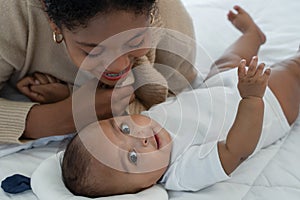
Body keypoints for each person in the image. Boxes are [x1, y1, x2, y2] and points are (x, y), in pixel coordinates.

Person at [61, 6, 300, 197]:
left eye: (124, 128)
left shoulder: (146, 124)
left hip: (214, 88)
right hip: (266, 106)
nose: (140, 139)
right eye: (133, 158)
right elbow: (236, 150)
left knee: (229, 60)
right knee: (293, 71)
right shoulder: (183, 172)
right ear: (142, 188)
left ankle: (253, 36)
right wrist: (251, 98)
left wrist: (59, 96)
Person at [0, 0, 197, 143]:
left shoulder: (176, 41)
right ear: (54, 24)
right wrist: (61, 116)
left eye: (135, 41)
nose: (117, 66)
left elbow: (173, 106)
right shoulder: (8, 17)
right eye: (92, 50)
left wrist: (71, 93)